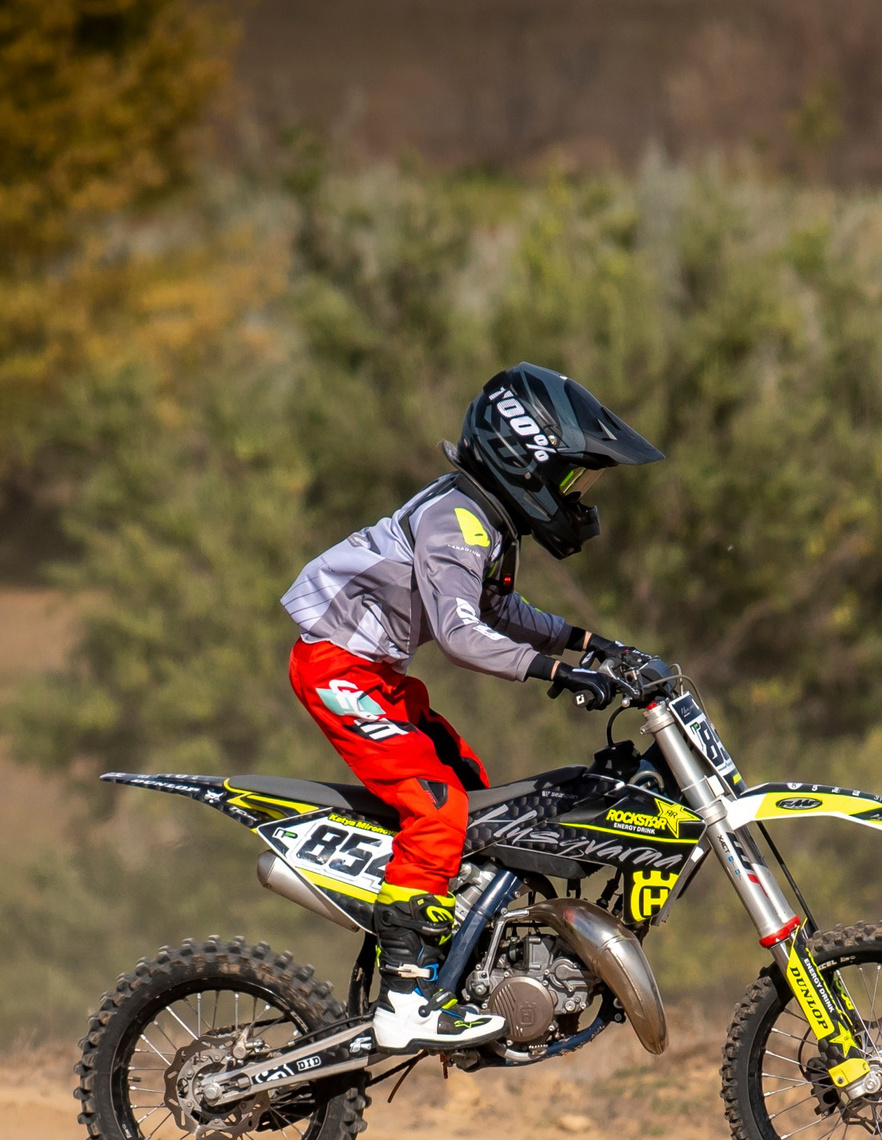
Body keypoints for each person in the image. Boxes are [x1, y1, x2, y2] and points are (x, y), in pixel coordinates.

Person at [279, 363, 663, 1050]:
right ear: (527, 462)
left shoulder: (478, 516)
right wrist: (556, 670)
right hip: (339, 670)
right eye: (572, 480)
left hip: (375, 673)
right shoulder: (455, 521)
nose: (579, 497)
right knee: (437, 806)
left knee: (478, 792)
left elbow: (496, 608)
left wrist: (586, 641)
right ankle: (405, 995)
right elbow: (462, 636)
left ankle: (466, 954)